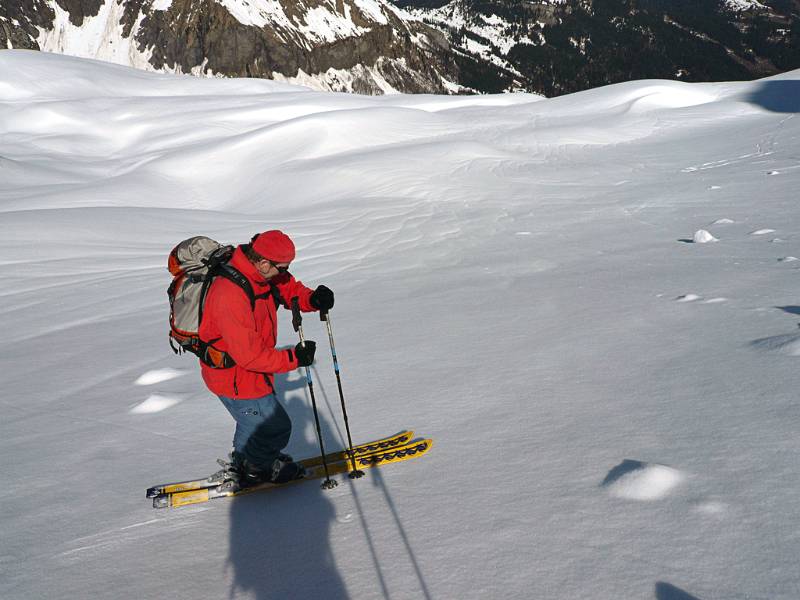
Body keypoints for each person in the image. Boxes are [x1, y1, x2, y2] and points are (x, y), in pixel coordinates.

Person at [198, 230, 335, 485]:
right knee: (274, 427)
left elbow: (288, 288)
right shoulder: (229, 294)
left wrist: (311, 299)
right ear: (263, 263)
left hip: (249, 372)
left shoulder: (261, 274)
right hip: (235, 376)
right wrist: (294, 358)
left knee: (252, 424)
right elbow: (249, 356)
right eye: (282, 267)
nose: (285, 273)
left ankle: (244, 461)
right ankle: (256, 471)